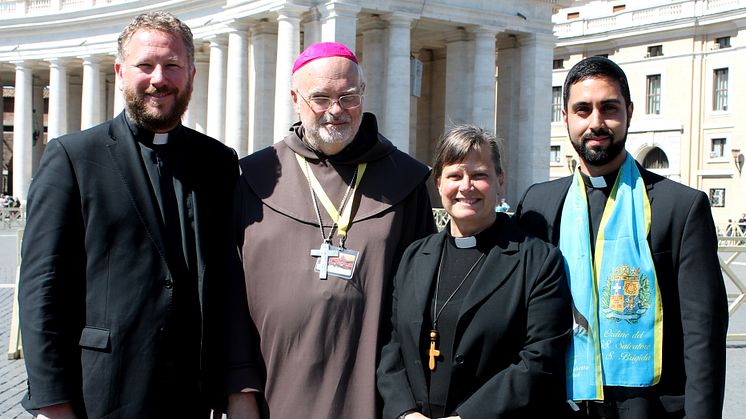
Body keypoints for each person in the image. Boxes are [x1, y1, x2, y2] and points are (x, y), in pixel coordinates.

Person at [18, 11, 241, 418]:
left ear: (190, 73)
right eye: (146, 65)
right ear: (121, 71)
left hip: (192, 395)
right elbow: (40, 287)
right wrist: (52, 402)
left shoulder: (218, 162)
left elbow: (230, 277)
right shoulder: (73, 157)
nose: (159, 78)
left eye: (172, 66)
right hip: (104, 391)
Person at [225, 42, 436, 419]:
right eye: (320, 98)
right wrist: (240, 390)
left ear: (363, 95)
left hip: (371, 392)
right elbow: (227, 297)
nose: (335, 111)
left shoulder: (406, 182)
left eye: (348, 96)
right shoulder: (253, 177)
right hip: (272, 390)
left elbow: (417, 304)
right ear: (295, 98)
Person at [514, 56, 728, 419]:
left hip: (648, 407)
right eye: (582, 110)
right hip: (554, 404)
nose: (596, 123)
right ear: (565, 117)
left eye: (609, 108)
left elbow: (702, 335)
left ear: (629, 112)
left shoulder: (680, 207)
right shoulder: (538, 203)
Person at [376, 124, 571, 419]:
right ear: (439, 182)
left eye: (479, 175)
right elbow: (393, 344)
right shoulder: (414, 256)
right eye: (455, 175)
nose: (466, 186)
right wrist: (404, 412)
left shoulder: (539, 261)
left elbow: (540, 358)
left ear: (500, 180)